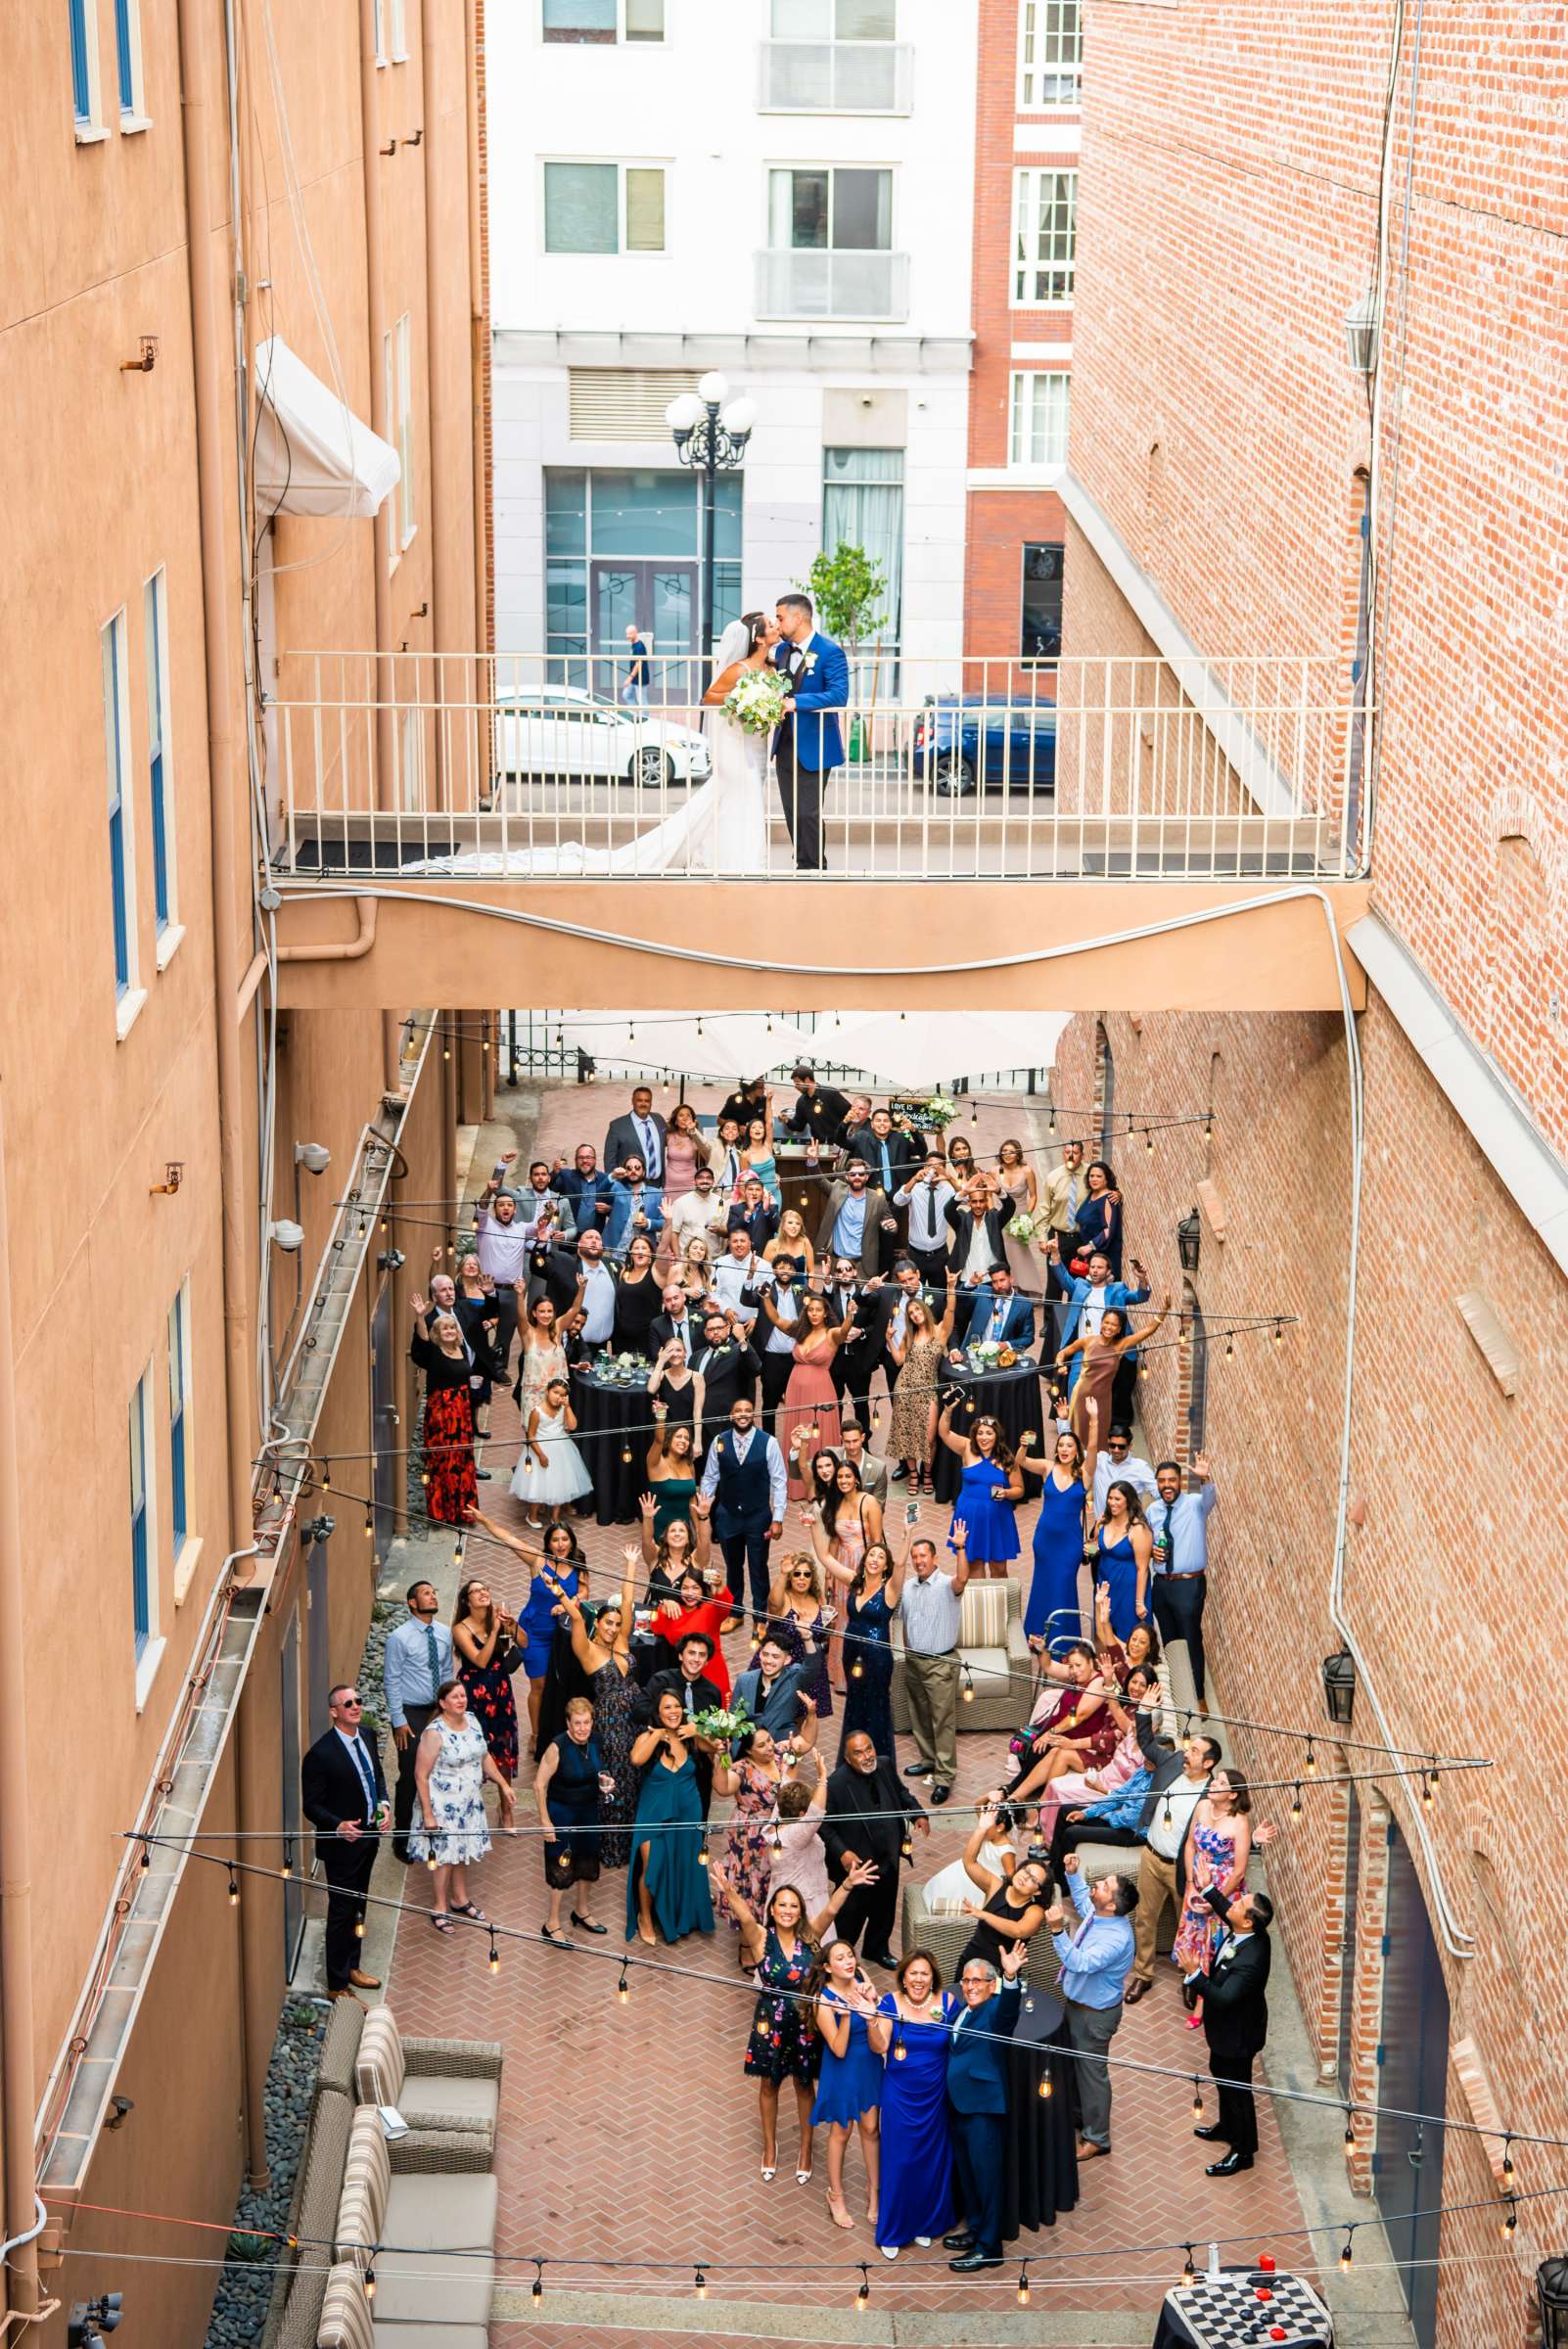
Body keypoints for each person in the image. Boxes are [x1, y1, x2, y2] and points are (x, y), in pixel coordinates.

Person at [716, 1873, 871, 2188]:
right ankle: (770, 2147)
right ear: (772, 1909)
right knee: (769, 2086)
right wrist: (730, 1891)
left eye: (794, 1906)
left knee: (804, 2086)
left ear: (800, 1911)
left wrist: (847, 1884)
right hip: (769, 2022)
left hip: (804, 2023)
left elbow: (829, 1912)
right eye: (782, 1905)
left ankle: (805, 2149)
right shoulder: (761, 1938)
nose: (787, 1910)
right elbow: (745, 1915)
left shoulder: (810, 1938)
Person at [466, 1511, 585, 1757]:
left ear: (571, 1541)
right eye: (555, 1540)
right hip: (535, 1633)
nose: (560, 1545)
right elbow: (509, 1539)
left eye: (565, 1539)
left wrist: (568, 1602)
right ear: (548, 1543)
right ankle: (537, 1733)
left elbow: (584, 1591)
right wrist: (485, 1520)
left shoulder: (578, 1562)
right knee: (539, 1685)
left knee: (561, 1681)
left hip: (563, 1633)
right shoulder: (538, 1561)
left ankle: (559, 1728)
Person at [1123, 1718, 1223, 2005]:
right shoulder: (1171, 1763)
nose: (1186, 1753)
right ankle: (1143, 1973)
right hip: (1152, 1857)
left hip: (1184, 1869)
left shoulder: (1212, 1793)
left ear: (1208, 1762)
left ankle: (1189, 1979)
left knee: (1190, 1926)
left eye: (1194, 1751)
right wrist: (1144, 1711)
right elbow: (1145, 1741)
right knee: (1145, 1918)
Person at [1044, 1855, 1138, 2161]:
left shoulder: (1116, 1939)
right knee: (1074, 2067)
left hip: (1095, 2016)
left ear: (1112, 1905)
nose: (1097, 1885)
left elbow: (1079, 1963)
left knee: (1092, 2075)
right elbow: (1085, 1905)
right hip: (1077, 2006)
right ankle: (1077, 2115)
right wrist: (1072, 1875)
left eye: (1104, 1886)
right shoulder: (1101, 1916)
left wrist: (1058, 1931)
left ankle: (1097, 2138)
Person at [944, 1945, 1029, 2271]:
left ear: (991, 1985)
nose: (971, 1986)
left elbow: (1009, 2011)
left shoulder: (995, 2011)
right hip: (959, 2104)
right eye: (966, 1980)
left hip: (983, 2108)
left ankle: (990, 2247)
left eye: (978, 1981)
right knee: (968, 2175)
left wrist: (1010, 1977)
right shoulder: (962, 2010)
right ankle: (976, 2229)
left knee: (987, 2178)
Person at [300, 1685, 388, 1999]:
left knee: (360, 1903)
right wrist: (337, 1825)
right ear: (334, 1712)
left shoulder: (366, 1735)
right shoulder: (320, 1755)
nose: (355, 1706)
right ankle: (337, 1984)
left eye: (358, 1701)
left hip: (369, 1838)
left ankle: (353, 1965)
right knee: (341, 1911)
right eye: (347, 1703)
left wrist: (384, 1805)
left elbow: (376, 1777)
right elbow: (311, 1806)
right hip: (341, 1846)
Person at [409, 1678, 516, 1933]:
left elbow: (484, 1756)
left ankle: (459, 1899)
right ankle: (439, 1906)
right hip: (442, 1806)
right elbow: (420, 1775)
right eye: (455, 1697)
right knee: (445, 1857)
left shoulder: (472, 1720)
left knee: (462, 1852)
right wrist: (427, 1814)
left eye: (463, 1695)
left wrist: (503, 1784)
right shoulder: (435, 1733)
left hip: (468, 1804)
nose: (461, 1700)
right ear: (443, 1703)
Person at [558, 1546, 642, 1868]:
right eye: (608, 1623)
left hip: (635, 1722)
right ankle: (612, 1849)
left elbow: (629, 1600)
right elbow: (577, 1617)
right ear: (599, 1624)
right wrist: (563, 1597)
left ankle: (632, 1846)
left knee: (634, 1781)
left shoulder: (621, 1644)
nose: (612, 1628)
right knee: (614, 1784)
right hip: (611, 1727)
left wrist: (631, 1565)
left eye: (616, 1623)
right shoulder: (589, 1651)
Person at [868, 1952, 957, 2258]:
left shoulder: (947, 2004)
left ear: (933, 1976)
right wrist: (871, 2020)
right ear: (903, 1977)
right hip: (900, 2095)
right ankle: (894, 2229)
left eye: (925, 1974)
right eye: (913, 1974)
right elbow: (880, 2046)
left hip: (935, 2095)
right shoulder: (890, 2004)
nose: (919, 1980)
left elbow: (960, 2043)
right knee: (899, 2160)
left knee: (931, 2160)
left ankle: (925, 2222)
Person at [821, 1729, 928, 1966]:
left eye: (869, 1748)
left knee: (884, 1909)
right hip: (858, 1866)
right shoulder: (836, 1784)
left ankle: (877, 1949)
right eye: (858, 1753)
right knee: (850, 1915)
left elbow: (901, 1792)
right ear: (848, 1759)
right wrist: (843, 1852)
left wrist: (917, 1813)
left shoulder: (885, 1765)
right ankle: (841, 1955)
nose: (867, 1756)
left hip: (888, 1855)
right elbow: (824, 1826)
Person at [1191, 1887, 1273, 2174]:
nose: (1233, 1905)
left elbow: (1225, 1999)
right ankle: (1227, 2127)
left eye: (1240, 1904)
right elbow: (1229, 1911)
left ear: (1248, 1922)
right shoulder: (1247, 1930)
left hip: (1238, 2034)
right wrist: (1209, 1888)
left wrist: (1195, 1976)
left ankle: (1244, 2151)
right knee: (1219, 2072)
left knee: (1238, 2090)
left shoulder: (1251, 1959)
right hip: (1224, 2030)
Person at [625, 1689, 715, 1945]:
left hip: (688, 1810)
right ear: (658, 1711)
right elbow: (636, 1759)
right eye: (667, 1707)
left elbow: (714, 1749)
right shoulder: (648, 1736)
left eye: (676, 1706)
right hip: (654, 1812)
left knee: (687, 1863)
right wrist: (657, 1735)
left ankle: (681, 1914)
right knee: (652, 1866)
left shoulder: (688, 1736)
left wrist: (697, 1732)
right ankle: (645, 1917)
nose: (673, 1711)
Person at [808, 1533, 909, 1761]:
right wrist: (813, 1525)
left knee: (876, 1707)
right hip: (851, 1655)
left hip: (878, 1660)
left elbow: (902, 1564)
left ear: (886, 1566)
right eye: (871, 1554)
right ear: (865, 1560)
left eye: (880, 1556)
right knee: (855, 1704)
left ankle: (878, 1763)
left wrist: (907, 1533)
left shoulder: (890, 1590)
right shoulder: (855, 1582)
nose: (874, 1559)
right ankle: (851, 1760)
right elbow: (825, 1557)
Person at [811, 1939, 885, 2228]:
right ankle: (835, 2195)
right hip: (842, 2068)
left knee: (871, 2128)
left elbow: (876, 2019)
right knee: (842, 2130)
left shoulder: (863, 1980)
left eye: (850, 1955)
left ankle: (874, 2191)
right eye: (840, 1958)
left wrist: (873, 2001)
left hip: (868, 2063)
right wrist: (844, 2016)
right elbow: (838, 2049)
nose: (849, 1961)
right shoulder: (823, 1999)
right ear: (828, 1967)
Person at [772, 589, 848, 872]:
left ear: (799, 616)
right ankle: (803, 861)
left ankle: (814, 868)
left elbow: (839, 695)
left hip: (815, 745)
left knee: (808, 812)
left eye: (780, 618)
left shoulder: (830, 652)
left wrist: (796, 702)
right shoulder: (781, 651)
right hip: (784, 744)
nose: (777, 624)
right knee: (792, 812)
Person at [1016, 1403, 1099, 1648]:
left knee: (1063, 1584)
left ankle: (1062, 1641)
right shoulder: (1047, 1467)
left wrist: (1094, 1419)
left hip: (1069, 1544)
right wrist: (1022, 1445)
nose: (1064, 1449)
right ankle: (1035, 1634)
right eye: (1061, 1445)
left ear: (1077, 1451)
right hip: (1044, 1540)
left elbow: (1093, 1447)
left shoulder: (1084, 1473)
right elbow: (1021, 1461)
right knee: (1042, 1583)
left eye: (1069, 1446)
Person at [384, 1581, 455, 1862]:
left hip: (437, 1710)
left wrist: (449, 1710)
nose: (433, 1595)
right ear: (412, 1603)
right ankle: (401, 1838)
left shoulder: (443, 1633)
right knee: (411, 1775)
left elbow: (447, 1669)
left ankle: (434, 1827)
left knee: (439, 1770)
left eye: (434, 1592)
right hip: (410, 1714)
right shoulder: (399, 1638)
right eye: (427, 1593)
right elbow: (391, 1680)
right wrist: (399, 1720)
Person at [899, 1529, 972, 1803]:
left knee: (942, 1721)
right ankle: (928, 1760)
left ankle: (944, 1777)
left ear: (934, 1558)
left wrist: (961, 1547)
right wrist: (908, 1651)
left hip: (941, 1663)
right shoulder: (908, 1586)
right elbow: (906, 1621)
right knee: (919, 1714)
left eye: (923, 1556)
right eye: (915, 1557)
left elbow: (963, 1578)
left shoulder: (945, 1585)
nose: (919, 1561)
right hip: (915, 1661)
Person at [1173, 1768, 1254, 2013]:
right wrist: (1189, 1882)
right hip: (1196, 1880)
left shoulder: (1240, 1821)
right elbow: (1189, 1845)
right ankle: (1191, 1978)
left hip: (1223, 1885)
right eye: (1215, 1780)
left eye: (1221, 1783)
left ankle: (1208, 1990)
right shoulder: (1202, 1807)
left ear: (1232, 1794)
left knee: (1214, 1938)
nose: (1214, 1784)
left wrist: (1215, 1898)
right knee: (1194, 1932)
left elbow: (1239, 1870)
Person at [700, 1395, 787, 1621]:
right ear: (731, 1415)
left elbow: (779, 1481)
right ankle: (735, 1612)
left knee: (758, 1568)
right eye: (738, 1410)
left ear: (753, 1414)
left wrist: (777, 1518)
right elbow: (710, 1477)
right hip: (727, 1515)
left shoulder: (769, 1442)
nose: (743, 1414)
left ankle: (761, 1617)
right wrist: (705, 1506)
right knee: (733, 1567)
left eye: (747, 1410)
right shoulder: (719, 1441)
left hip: (758, 1516)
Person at [409, 1294, 493, 1524]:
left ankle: (463, 1512)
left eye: (451, 1328)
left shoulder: (462, 1351)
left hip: (462, 1414)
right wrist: (420, 1316)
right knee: (443, 1463)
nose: (448, 1331)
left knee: (463, 1461)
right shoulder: (435, 1352)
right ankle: (443, 1513)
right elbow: (423, 1339)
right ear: (438, 1333)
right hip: (442, 1416)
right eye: (444, 1328)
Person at [534, 1695, 612, 1945]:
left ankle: (581, 1911)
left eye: (586, 1722)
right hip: (562, 1814)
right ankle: (552, 1923)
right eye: (577, 1723)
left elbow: (599, 1771)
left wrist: (606, 1783)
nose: (582, 1728)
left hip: (589, 1812)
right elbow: (538, 1785)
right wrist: (545, 1821)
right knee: (562, 1867)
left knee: (587, 1863)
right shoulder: (557, 1747)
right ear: (568, 1724)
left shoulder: (596, 1741)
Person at [1055, 1296, 1170, 1450]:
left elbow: (1148, 1330)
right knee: (1077, 1438)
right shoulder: (1087, 1341)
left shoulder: (1120, 1346)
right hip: (1081, 1395)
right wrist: (1060, 1365)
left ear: (1119, 1329)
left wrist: (1165, 1309)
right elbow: (1062, 1353)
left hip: (1103, 1400)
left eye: (1114, 1325)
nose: (1109, 1327)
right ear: (1101, 1323)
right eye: (1107, 1322)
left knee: (1099, 1441)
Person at [1148, 1452, 1217, 1708]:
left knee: (1190, 1639)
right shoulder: (1152, 1510)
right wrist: (1152, 1551)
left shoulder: (1195, 1505)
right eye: (1162, 1481)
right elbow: (1148, 1540)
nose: (1167, 1485)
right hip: (1163, 1583)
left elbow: (1211, 1497)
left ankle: (1198, 1696)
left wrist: (1204, 1477)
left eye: (1172, 1480)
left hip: (1189, 1584)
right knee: (1170, 1641)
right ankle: (1179, 1693)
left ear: (1179, 1482)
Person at [954, 1807, 1051, 1973]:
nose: (1025, 1877)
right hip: (971, 1961)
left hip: (1003, 1970)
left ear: (1037, 1891)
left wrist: (983, 1914)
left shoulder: (1035, 1911)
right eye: (1025, 1871)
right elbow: (969, 1862)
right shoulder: (996, 1885)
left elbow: (1017, 1930)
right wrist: (981, 1829)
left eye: (1033, 1879)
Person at [888, 1280, 958, 1493]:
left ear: (924, 1310)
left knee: (929, 1438)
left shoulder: (940, 1332)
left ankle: (927, 1474)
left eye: (917, 1309)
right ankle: (914, 1476)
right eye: (910, 1313)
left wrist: (951, 1288)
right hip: (905, 1389)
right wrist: (889, 1340)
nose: (915, 1314)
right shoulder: (910, 1335)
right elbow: (899, 1360)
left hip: (928, 1389)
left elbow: (950, 1309)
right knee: (907, 1436)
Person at [938, 1405, 1023, 1581]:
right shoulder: (967, 1447)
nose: (984, 1437)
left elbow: (1019, 1489)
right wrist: (947, 1412)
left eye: (989, 1433)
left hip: (997, 1517)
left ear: (997, 1435)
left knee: (999, 1569)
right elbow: (944, 1433)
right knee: (974, 1568)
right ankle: (980, 1606)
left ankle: (999, 1606)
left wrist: (1006, 1493)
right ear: (974, 1435)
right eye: (980, 1433)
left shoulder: (1007, 1458)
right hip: (970, 1516)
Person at [451, 1576, 523, 1782]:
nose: (483, 1593)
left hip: (500, 1689)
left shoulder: (497, 1617)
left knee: (503, 1743)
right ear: (466, 1601)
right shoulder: (460, 1629)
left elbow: (524, 1642)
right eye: (476, 1591)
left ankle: (506, 1808)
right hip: (475, 1693)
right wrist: (494, 1632)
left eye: (485, 1589)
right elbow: (480, 1661)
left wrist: (512, 1624)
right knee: (476, 1743)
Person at [513, 1374, 593, 1530]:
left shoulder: (563, 1409)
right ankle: (532, 1514)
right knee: (539, 1483)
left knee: (560, 1483)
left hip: (561, 1449)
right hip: (541, 1449)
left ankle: (555, 1515)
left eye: (562, 1395)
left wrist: (568, 1407)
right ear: (547, 1391)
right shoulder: (537, 1411)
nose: (558, 1397)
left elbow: (573, 1426)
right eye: (555, 1392)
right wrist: (541, 1455)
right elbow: (531, 1435)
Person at [764, 1551, 835, 1718]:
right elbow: (773, 1605)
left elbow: (825, 1632)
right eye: (796, 1574)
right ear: (791, 1577)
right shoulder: (784, 1598)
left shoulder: (818, 1599)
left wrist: (829, 1626)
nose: (801, 1578)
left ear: (812, 1578)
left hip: (810, 1667)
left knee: (804, 1718)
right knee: (776, 1717)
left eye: (806, 1574)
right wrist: (783, 1573)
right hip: (782, 1668)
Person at [1093, 1477, 1155, 1642]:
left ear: (1128, 1502)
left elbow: (1143, 1568)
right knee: (1102, 1631)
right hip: (1105, 1583)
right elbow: (1095, 1546)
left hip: (1128, 1588)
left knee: (1127, 1635)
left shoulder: (1138, 1529)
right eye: (1110, 1498)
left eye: (1117, 1499)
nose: (1112, 1502)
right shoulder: (1103, 1522)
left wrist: (1139, 1602)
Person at [731, 1637, 819, 1750]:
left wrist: (807, 1638)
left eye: (775, 1657)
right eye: (765, 1654)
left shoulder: (793, 1679)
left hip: (780, 1745)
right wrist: (735, 1749)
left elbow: (811, 1669)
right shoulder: (744, 1680)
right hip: (749, 1747)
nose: (768, 1660)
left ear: (787, 1660)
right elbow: (734, 1716)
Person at [815, 1159, 896, 1282]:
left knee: (864, 1299)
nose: (857, 1177)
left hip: (864, 1264)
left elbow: (889, 1222)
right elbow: (819, 1181)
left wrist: (891, 1226)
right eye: (853, 1174)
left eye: (861, 1174)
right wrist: (813, 1161)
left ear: (867, 1177)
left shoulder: (878, 1198)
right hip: (838, 1261)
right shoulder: (837, 1190)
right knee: (837, 1299)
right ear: (847, 1176)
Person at [894, 1154, 960, 1285]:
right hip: (915, 1254)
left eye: (939, 1166)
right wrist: (914, 1179)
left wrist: (950, 1177)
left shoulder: (948, 1189)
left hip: (940, 1254)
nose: (934, 1169)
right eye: (931, 1165)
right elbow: (898, 1200)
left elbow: (968, 1199)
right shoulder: (914, 1188)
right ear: (924, 1167)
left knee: (939, 1295)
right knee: (915, 1294)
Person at [514, 1292, 574, 1432]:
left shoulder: (558, 1330)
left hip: (557, 1394)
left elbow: (575, 1309)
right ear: (534, 1313)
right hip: (533, 1396)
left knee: (558, 1432)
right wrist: (519, 1296)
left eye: (549, 1311)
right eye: (541, 1311)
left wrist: (582, 1288)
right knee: (534, 1435)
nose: (546, 1315)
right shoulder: (528, 1334)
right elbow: (521, 1317)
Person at [690, 1310, 761, 1427]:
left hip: (730, 1423)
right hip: (701, 1424)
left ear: (728, 1329)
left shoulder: (739, 1350)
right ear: (705, 1333)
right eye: (711, 1329)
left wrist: (742, 1340)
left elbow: (756, 1368)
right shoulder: (696, 1356)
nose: (716, 1332)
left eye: (719, 1327)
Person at [641, 1413, 701, 1541]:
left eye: (687, 1438)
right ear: (668, 1439)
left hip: (685, 1532)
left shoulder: (689, 1464)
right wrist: (661, 1416)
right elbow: (658, 1440)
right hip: (662, 1532)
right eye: (678, 1436)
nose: (683, 1441)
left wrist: (698, 1530)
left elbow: (692, 1501)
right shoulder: (656, 1463)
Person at [957, 1263, 1038, 1355]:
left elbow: (1028, 1338)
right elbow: (959, 1299)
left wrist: (1007, 1344)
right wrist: (970, 1283)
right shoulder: (982, 1292)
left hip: (1002, 1357)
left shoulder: (1024, 1305)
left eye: (1002, 1280)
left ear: (1011, 1279)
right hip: (974, 1352)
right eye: (994, 1282)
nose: (999, 1285)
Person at [946, 1178, 1008, 1291]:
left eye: (981, 1201)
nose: (978, 1205)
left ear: (986, 1202)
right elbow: (948, 1210)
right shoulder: (961, 1219)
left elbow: (1010, 1207)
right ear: (969, 1202)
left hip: (992, 1281)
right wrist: (964, 1191)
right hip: (967, 1280)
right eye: (974, 1201)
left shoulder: (995, 1219)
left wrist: (998, 1191)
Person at [1089, 1420, 1159, 1516]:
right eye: (1112, 1445)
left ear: (1130, 1446)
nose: (1116, 1450)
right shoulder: (1099, 1460)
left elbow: (1159, 1493)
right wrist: (1064, 1422)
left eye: (1121, 1447)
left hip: (1129, 1528)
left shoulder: (1140, 1467)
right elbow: (1072, 1452)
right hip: (1102, 1528)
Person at [611, 1231, 665, 1354]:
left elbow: (663, 1249)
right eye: (636, 1248)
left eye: (644, 1248)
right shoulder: (624, 1271)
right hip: (622, 1337)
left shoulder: (656, 1272)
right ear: (631, 1253)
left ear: (651, 1253)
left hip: (647, 1337)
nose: (640, 1251)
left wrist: (668, 1222)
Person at [605, 1085, 667, 1188]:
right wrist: (616, 1187)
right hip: (629, 1187)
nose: (643, 1104)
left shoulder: (659, 1120)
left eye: (647, 1101)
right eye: (639, 1100)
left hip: (656, 1186)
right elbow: (609, 1160)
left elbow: (668, 1138)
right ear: (632, 1101)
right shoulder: (617, 1126)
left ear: (651, 1103)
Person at [604, 1155, 666, 1256]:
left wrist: (648, 1223)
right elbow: (600, 1192)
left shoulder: (656, 1194)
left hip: (642, 1252)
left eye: (637, 1168)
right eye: (629, 1168)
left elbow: (664, 1222)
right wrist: (613, 1176)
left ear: (644, 1172)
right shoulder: (617, 1188)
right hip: (615, 1248)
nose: (633, 1171)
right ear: (625, 1172)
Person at [1071, 1158, 1123, 1275]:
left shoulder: (1109, 1199)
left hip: (1103, 1259)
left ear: (1106, 1180)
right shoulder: (1092, 1194)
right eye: (1091, 1176)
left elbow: (1108, 1230)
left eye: (1099, 1176)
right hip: (1089, 1256)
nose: (1094, 1179)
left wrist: (1090, 1246)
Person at [553, 1141, 615, 1237]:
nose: (584, 1160)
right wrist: (554, 1173)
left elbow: (618, 1206)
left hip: (593, 1239)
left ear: (595, 1160)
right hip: (567, 1236)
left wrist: (609, 1209)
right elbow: (550, 1188)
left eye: (588, 1157)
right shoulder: (566, 1176)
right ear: (575, 1160)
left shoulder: (605, 1180)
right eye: (581, 1158)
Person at [665, 1160, 728, 1252]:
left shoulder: (721, 1202)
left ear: (713, 1181)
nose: (705, 1181)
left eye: (709, 1178)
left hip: (712, 1258)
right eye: (700, 1178)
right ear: (695, 1181)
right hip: (687, 1258)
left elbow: (727, 1233)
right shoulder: (681, 1202)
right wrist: (678, 1258)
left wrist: (719, 1230)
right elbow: (674, 1233)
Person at [786, 1061, 852, 1146]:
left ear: (807, 1080)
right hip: (818, 1146)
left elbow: (849, 1113)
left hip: (838, 1144)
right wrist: (787, 1120)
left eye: (797, 1083)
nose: (795, 1087)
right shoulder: (801, 1101)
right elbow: (799, 1126)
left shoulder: (830, 1093)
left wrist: (846, 1135)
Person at [661, 1100, 713, 1199]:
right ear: (676, 1120)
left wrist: (694, 1131)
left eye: (688, 1115)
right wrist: (666, 1126)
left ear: (693, 1120)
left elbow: (707, 1153)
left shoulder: (696, 1137)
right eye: (681, 1115)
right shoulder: (668, 1136)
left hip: (689, 1183)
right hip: (670, 1184)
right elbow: (658, 1133)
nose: (685, 1118)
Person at [649, 1281, 705, 1366]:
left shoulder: (703, 1317)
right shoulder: (657, 1325)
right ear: (663, 1303)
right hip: (671, 1373)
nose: (673, 1303)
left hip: (699, 1370)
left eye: (676, 1298)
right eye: (668, 1300)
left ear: (684, 1297)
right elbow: (657, 1356)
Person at [840, 1419, 890, 1509]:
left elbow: (878, 1506)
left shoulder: (878, 1468)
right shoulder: (831, 1458)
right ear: (841, 1439)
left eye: (855, 1441)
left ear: (863, 1438)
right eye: (847, 1442)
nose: (851, 1446)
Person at [738, 1111, 782, 1211]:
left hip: (776, 1193)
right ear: (749, 1132)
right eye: (754, 1127)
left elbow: (770, 1124)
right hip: (758, 1197)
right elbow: (744, 1183)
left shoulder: (768, 1146)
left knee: (775, 1224)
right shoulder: (745, 1155)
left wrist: (769, 1100)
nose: (757, 1129)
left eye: (760, 1127)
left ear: (764, 1131)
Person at [727, 1173, 779, 1255]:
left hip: (763, 1255)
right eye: (750, 1189)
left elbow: (778, 1228)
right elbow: (731, 1231)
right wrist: (748, 1212)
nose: (754, 1193)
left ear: (762, 1192)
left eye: (758, 1190)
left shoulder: (771, 1208)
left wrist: (767, 1211)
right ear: (745, 1192)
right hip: (740, 1255)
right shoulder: (735, 1208)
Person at [764, 1205, 817, 1280]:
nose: (794, 1226)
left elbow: (811, 1272)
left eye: (798, 1223)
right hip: (778, 1290)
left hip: (800, 1290)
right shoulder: (772, 1245)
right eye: (790, 1223)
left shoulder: (805, 1242)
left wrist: (808, 1290)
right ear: (783, 1226)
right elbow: (764, 1273)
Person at [622, 621, 650, 706]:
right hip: (635, 678)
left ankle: (645, 718)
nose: (627, 636)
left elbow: (638, 664)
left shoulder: (639, 646)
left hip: (641, 678)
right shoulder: (634, 645)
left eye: (630, 634)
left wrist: (629, 678)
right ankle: (635, 716)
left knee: (642, 700)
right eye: (627, 634)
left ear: (635, 633)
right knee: (626, 695)